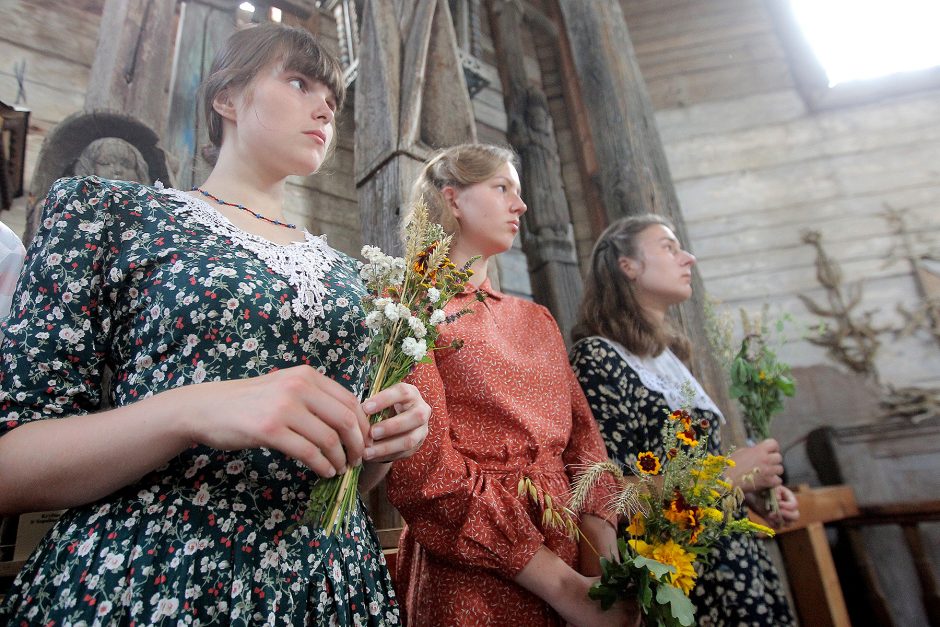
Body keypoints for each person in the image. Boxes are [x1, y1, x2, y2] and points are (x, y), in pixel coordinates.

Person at [0, 23, 430, 625]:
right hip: (155, 575)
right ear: (225, 98)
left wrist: (379, 442)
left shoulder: (348, 276)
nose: (326, 106)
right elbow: (10, 466)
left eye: (332, 96)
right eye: (299, 81)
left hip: (329, 586)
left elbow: (341, 484)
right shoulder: (111, 213)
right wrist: (190, 409)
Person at [385, 143, 637, 626]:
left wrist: (602, 572)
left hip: (574, 551)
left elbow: (588, 447)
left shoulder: (537, 318)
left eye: (518, 192)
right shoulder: (408, 309)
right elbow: (427, 476)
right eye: (502, 188)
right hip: (476, 568)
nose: (520, 206)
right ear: (453, 199)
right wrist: (562, 586)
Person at [569, 214, 800, 626]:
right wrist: (728, 473)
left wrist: (750, 494)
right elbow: (606, 496)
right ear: (628, 265)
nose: (688, 258)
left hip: (737, 565)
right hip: (683, 581)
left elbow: (702, 479)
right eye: (669, 247)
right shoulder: (598, 358)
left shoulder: (672, 361)